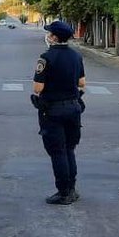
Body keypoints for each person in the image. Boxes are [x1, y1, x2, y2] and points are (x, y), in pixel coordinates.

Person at [31, 20, 86, 205]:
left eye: (49, 34)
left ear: (54, 37)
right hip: (73, 108)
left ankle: (63, 192)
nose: (48, 36)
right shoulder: (76, 56)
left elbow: (38, 87)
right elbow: (82, 83)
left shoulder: (46, 58)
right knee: (69, 149)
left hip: (53, 110)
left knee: (57, 152)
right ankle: (72, 188)